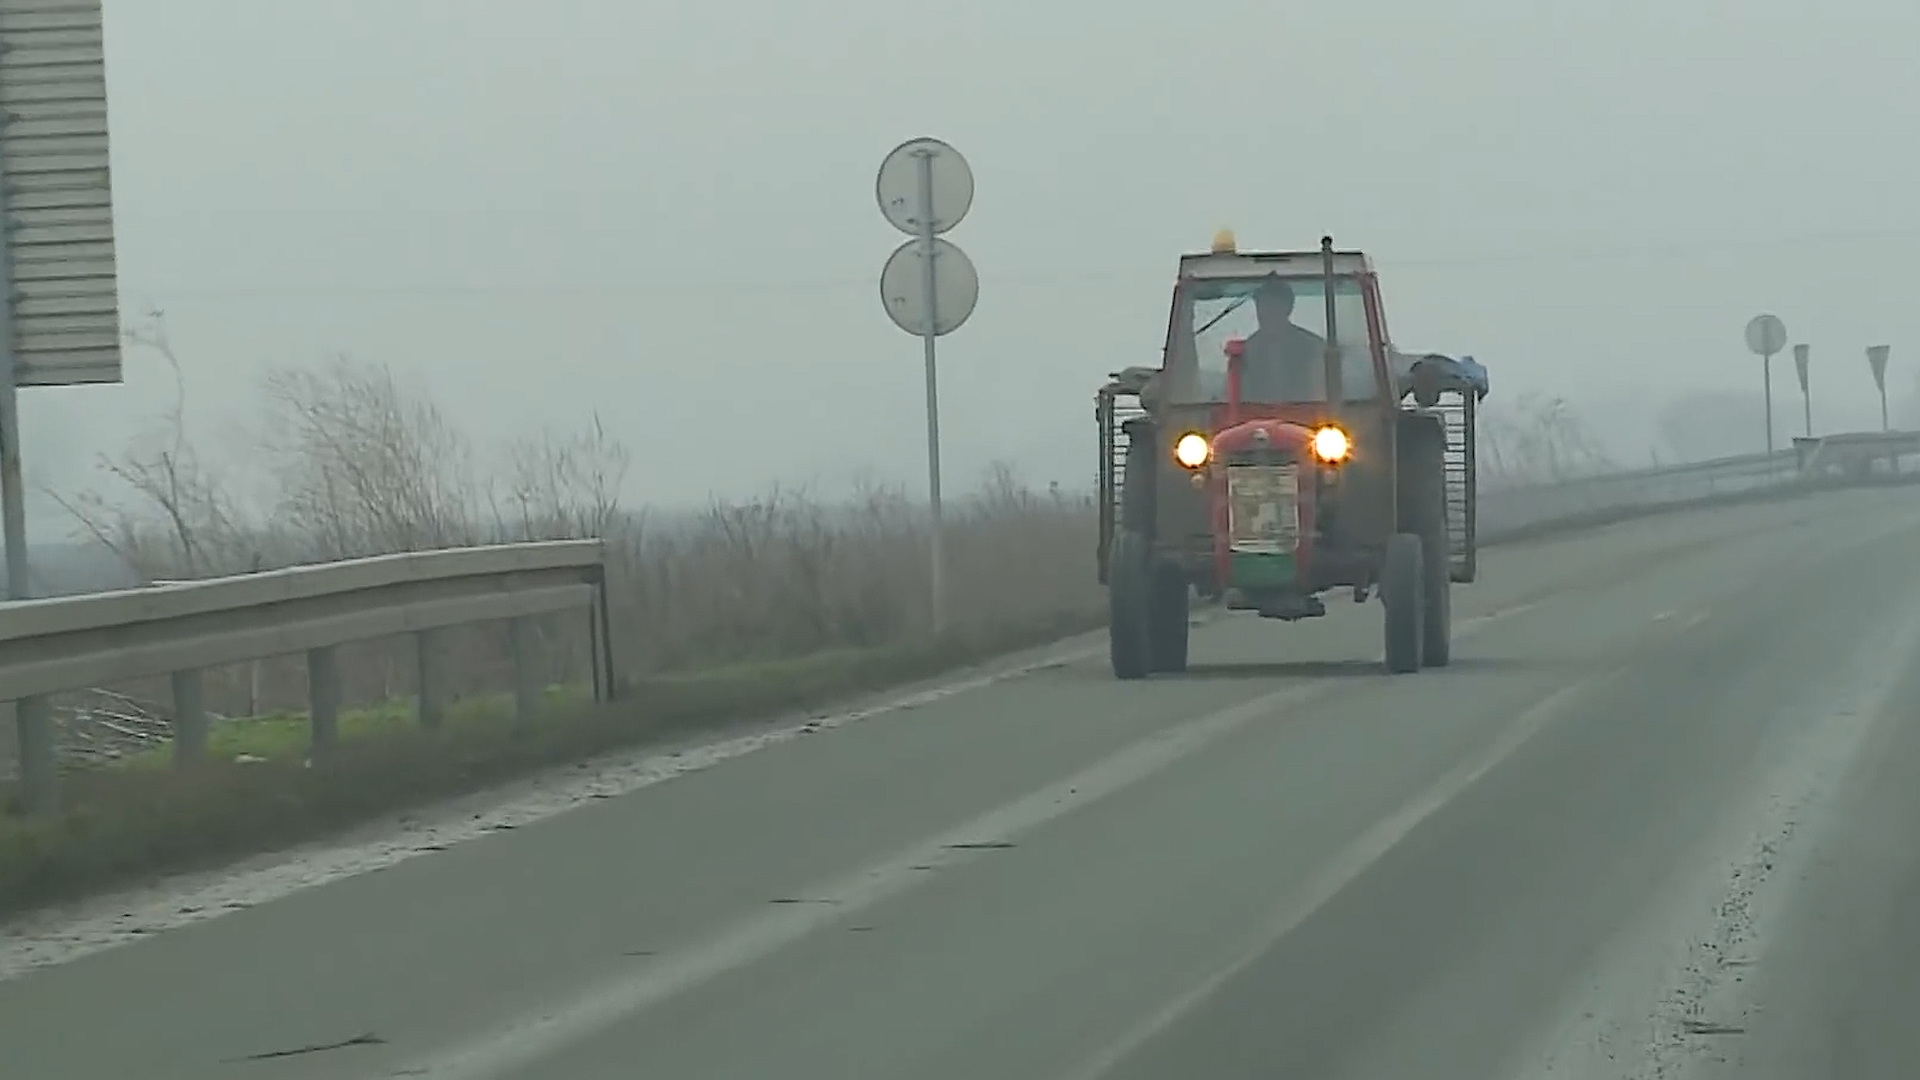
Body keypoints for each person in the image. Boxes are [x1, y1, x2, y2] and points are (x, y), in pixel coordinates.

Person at [1238, 278, 1328, 401]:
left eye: (1273, 306)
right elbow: (1236, 394)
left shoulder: (1314, 347)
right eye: (1262, 305)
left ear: (1288, 308)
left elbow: (1321, 391)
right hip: (1254, 418)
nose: (1265, 312)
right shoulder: (1246, 351)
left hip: (1306, 416)